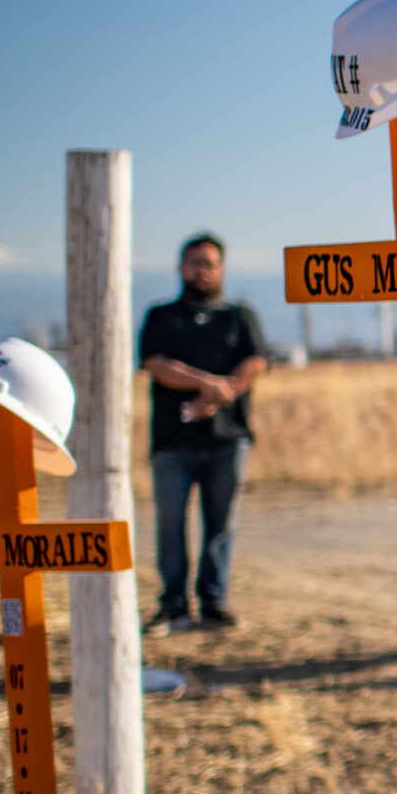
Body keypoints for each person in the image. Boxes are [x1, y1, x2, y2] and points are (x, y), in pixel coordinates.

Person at [138, 234, 269, 631]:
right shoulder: (161, 316)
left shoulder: (239, 315)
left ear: (222, 269)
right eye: (194, 262)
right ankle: (173, 604)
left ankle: (214, 601)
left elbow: (256, 362)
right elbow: (154, 363)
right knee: (171, 523)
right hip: (173, 442)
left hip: (227, 440)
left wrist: (216, 396)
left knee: (221, 524)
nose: (202, 270)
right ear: (181, 267)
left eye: (209, 263)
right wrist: (207, 383)